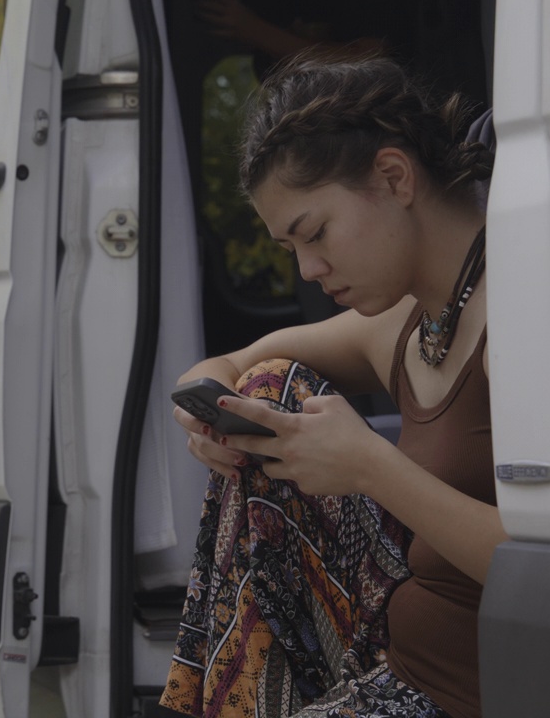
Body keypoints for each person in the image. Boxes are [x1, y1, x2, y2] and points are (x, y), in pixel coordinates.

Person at [157, 56, 503, 718]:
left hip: (462, 696)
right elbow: (220, 367)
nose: (310, 270)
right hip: (393, 664)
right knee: (266, 387)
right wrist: (211, 415)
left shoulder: (512, 319)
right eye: (290, 250)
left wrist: (371, 467)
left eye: (314, 233)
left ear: (395, 177)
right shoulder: (410, 321)